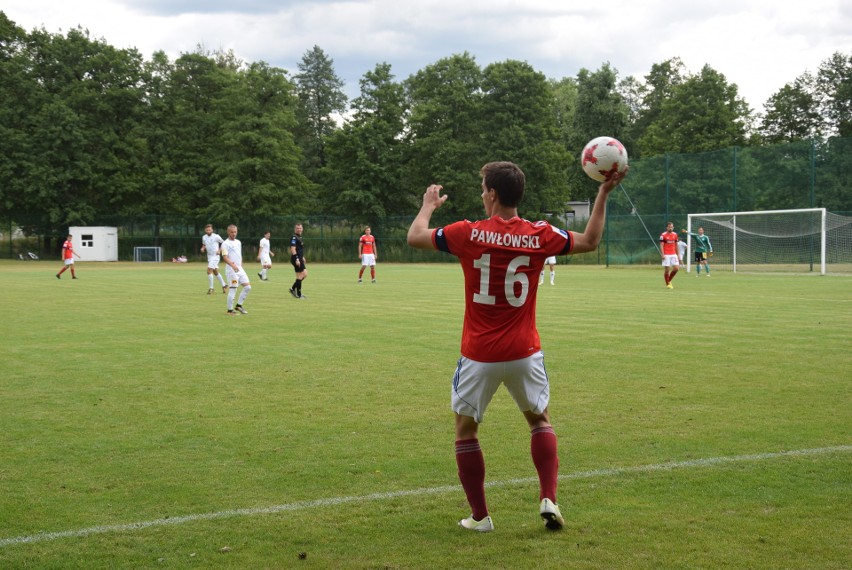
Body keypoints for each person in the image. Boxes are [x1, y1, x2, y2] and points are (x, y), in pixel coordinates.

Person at [407, 161, 628, 533]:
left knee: (466, 432)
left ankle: (480, 517)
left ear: (492, 194)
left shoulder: (469, 233)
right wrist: (603, 193)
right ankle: (549, 498)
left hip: (479, 355)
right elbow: (590, 241)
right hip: (525, 352)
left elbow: (415, 236)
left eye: (482, 189)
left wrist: (429, 205)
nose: (481, 195)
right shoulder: (540, 234)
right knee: (539, 421)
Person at [220, 224, 251, 315]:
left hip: (239, 268)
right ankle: (229, 310)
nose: (234, 234)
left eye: (235, 232)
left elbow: (239, 255)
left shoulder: (238, 242)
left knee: (247, 287)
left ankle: (238, 305)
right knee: (233, 288)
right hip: (231, 269)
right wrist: (232, 265)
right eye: (232, 232)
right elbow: (225, 257)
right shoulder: (225, 244)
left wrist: (240, 265)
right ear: (228, 232)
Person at [201, 224, 228, 295]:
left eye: (209, 230)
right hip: (209, 257)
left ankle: (211, 288)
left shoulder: (216, 236)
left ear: (212, 230)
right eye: (207, 230)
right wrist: (203, 248)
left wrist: (220, 250)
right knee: (215, 272)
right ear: (205, 230)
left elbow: (224, 243)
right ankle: (224, 285)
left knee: (209, 271)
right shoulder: (204, 237)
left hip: (215, 257)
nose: (208, 231)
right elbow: (204, 244)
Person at [289, 223, 308, 299]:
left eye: (300, 228)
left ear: (302, 229)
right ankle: (299, 294)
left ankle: (293, 288)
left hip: (300, 258)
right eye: (297, 228)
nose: (299, 229)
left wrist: (302, 257)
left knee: (305, 274)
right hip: (296, 259)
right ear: (295, 229)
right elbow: (293, 249)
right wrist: (297, 259)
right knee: (300, 276)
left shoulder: (299, 237)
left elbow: (299, 249)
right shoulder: (294, 237)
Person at [659, 221, 680, 289]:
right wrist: (662, 254)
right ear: (667, 227)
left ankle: (669, 281)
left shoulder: (675, 235)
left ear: (673, 227)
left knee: (676, 268)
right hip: (666, 254)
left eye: (672, 227)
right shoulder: (663, 235)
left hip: (673, 254)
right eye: (669, 227)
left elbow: (676, 245)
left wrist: (678, 254)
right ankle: (668, 284)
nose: (670, 228)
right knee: (667, 270)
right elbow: (661, 245)